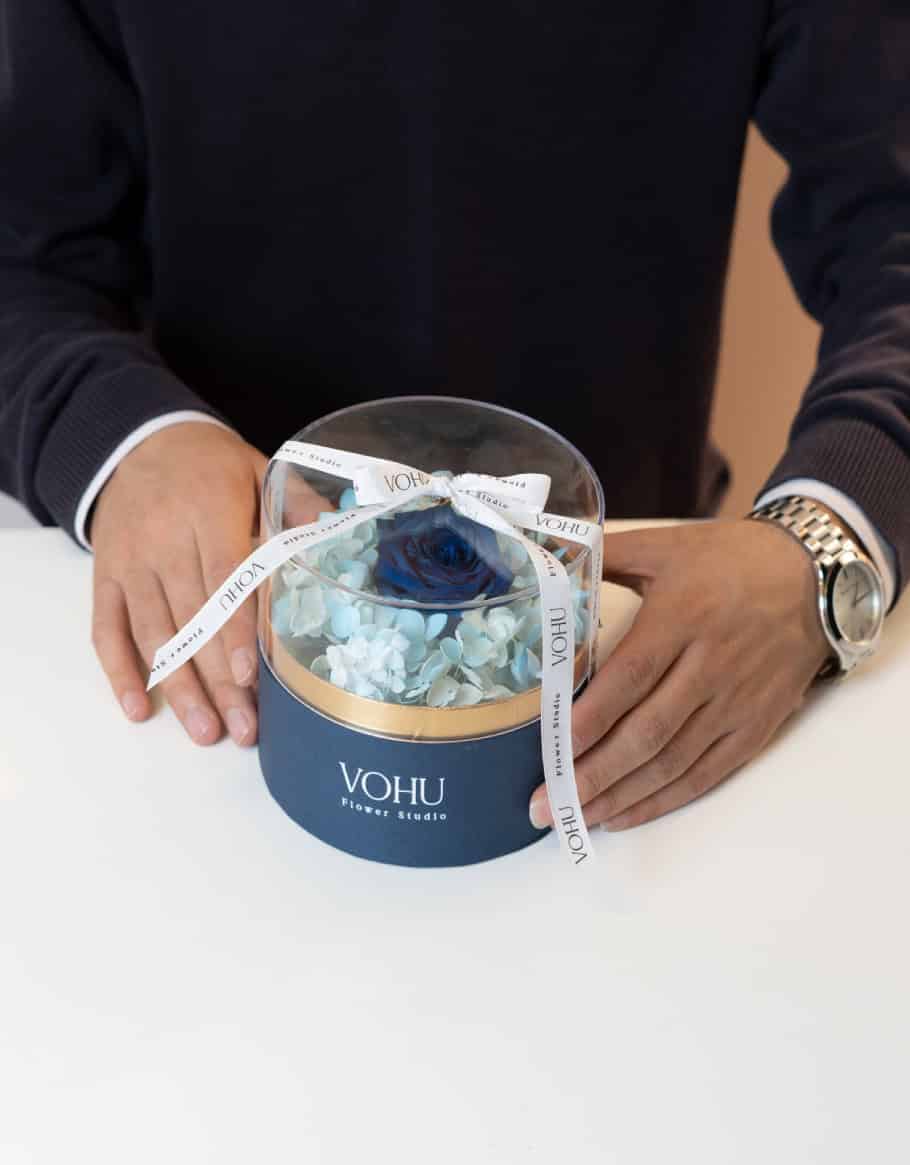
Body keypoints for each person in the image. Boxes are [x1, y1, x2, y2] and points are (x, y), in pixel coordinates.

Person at [1, 2, 908, 834]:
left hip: (629, 646)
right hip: (222, 634)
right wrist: (122, 436)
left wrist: (826, 537)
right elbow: (23, 258)